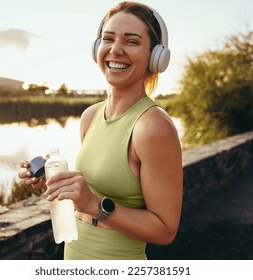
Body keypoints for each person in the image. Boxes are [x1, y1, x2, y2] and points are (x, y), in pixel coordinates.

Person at [18, 1, 182, 260]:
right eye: (108, 39)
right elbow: (92, 191)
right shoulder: (90, 116)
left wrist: (95, 205)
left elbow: (165, 230)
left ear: (155, 56)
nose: (116, 50)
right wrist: (56, 181)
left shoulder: (153, 126)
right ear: (97, 48)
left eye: (132, 41)